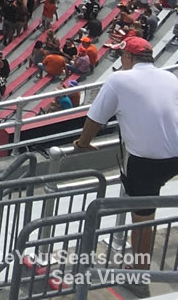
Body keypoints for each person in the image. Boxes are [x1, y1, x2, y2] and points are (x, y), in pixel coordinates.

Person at [74, 35, 178, 295]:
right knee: (149, 214)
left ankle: (139, 277)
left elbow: (95, 118)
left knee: (142, 220)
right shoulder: (170, 77)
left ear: (129, 57)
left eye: (122, 56)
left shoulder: (119, 79)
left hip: (147, 161)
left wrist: (83, 143)